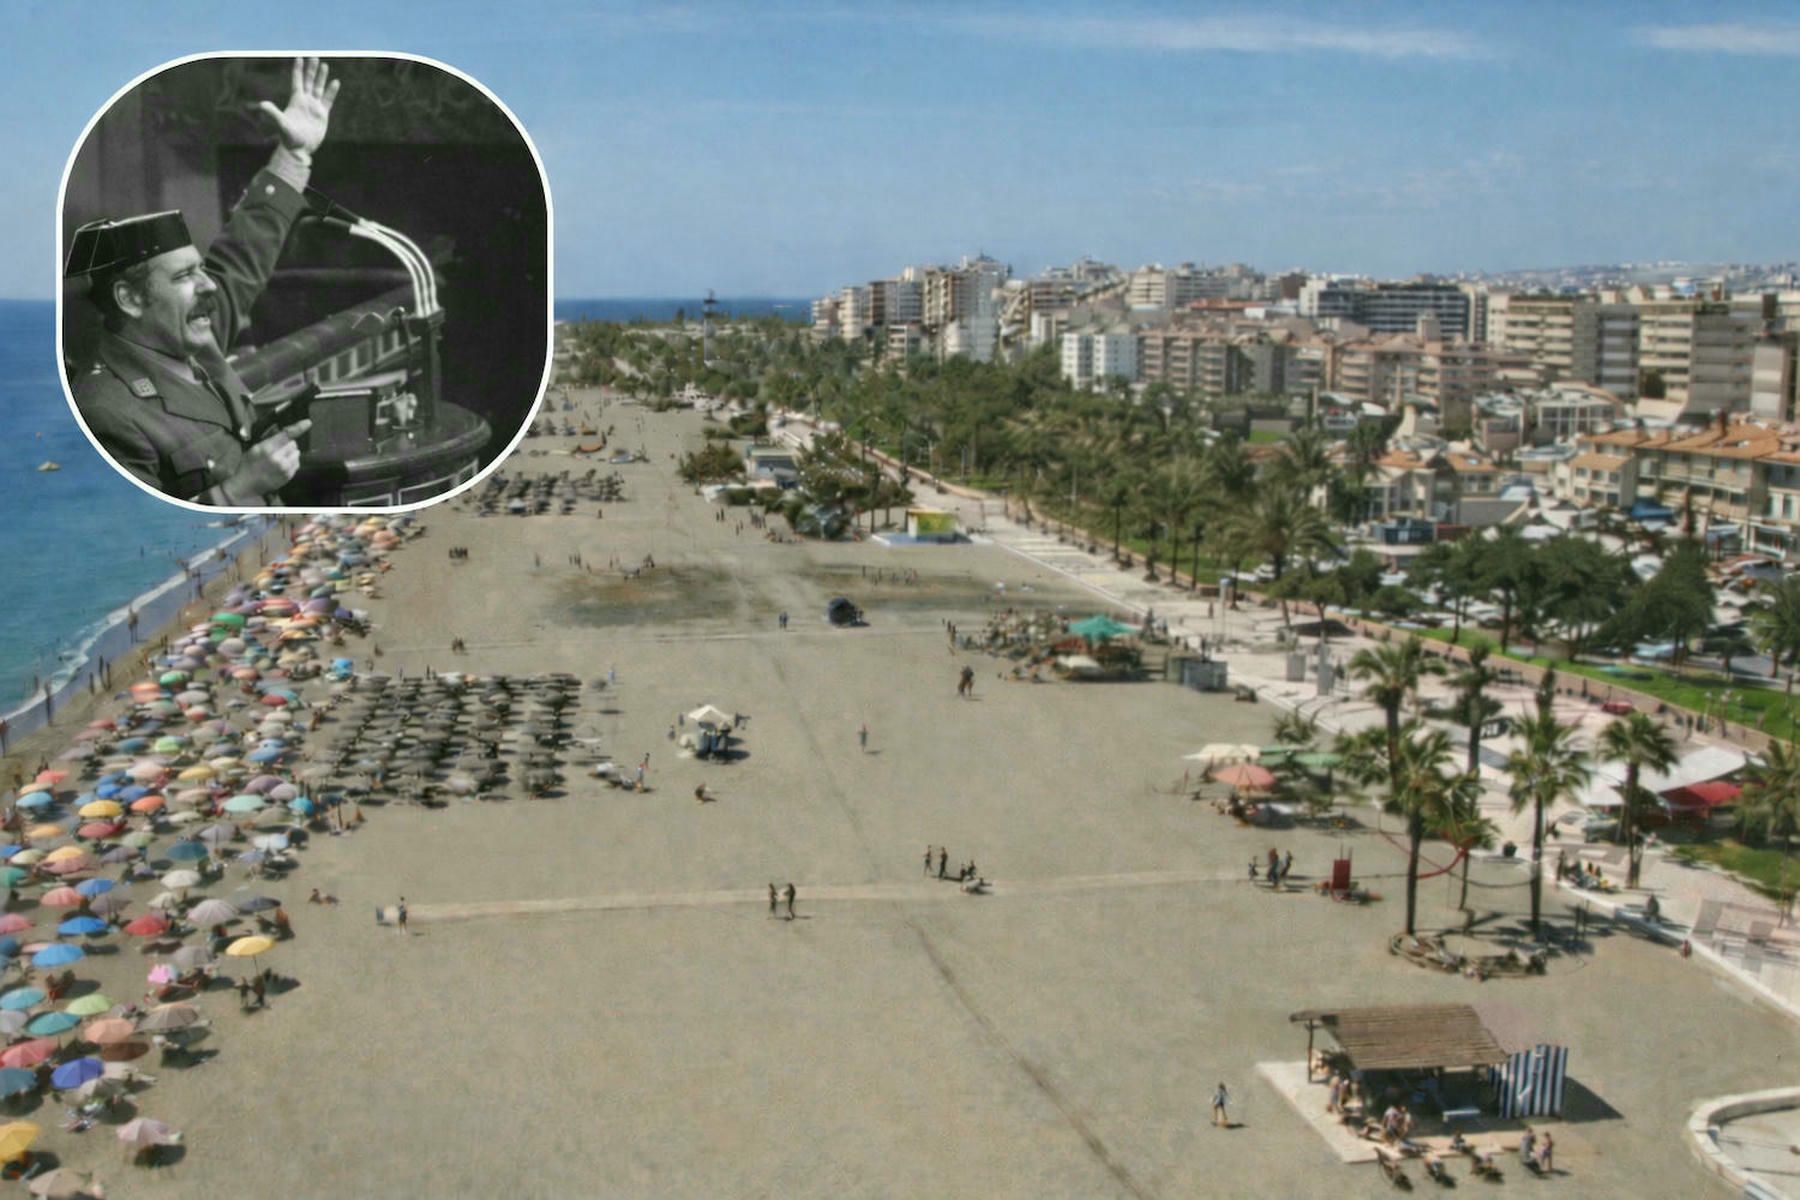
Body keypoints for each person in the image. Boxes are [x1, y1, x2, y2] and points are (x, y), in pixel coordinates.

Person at [64, 58, 340, 505]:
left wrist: (294, 156)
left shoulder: (188, 330)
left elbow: (243, 253)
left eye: (200, 269)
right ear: (131, 298)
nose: (209, 286)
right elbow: (140, 544)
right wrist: (239, 488)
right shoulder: (106, 412)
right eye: (186, 276)